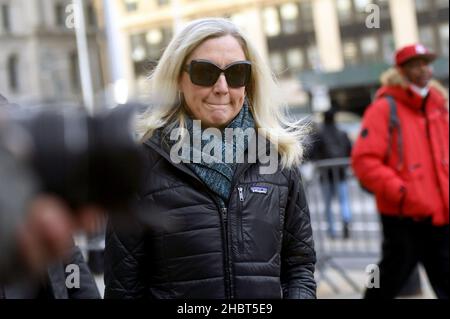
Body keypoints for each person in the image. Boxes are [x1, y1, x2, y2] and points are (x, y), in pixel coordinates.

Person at [104, 18, 316, 299]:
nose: (221, 86)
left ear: (249, 83)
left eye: (236, 73)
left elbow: (299, 268)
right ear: (178, 78)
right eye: (205, 72)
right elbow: (124, 289)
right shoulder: (139, 166)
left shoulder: (276, 158)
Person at [351, 44, 449, 299]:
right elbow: (364, 160)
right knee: (389, 278)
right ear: (401, 70)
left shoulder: (438, 106)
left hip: (440, 214)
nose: (424, 69)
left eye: (426, 62)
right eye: (416, 64)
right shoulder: (385, 108)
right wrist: (402, 191)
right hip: (403, 216)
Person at [310, 108, 352, 239]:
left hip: (325, 174)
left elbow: (312, 153)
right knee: (344, 201)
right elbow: (350, 150)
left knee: (327, 204)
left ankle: (331, 230)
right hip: (341, 172)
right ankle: (346, 219)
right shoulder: (342, 133)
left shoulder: (319, 135)